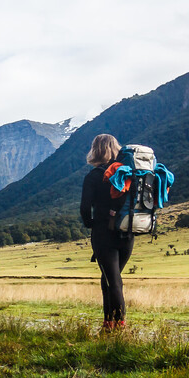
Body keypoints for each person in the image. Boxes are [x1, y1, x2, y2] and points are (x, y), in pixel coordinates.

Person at [80, 133, 132, 331]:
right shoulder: (127, 173)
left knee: (114, 280)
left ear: (96, 150)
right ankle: (108, 323)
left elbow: (85, 208)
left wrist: (91, 224)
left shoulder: (94, 176)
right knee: (109, 277)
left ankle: (119, 327)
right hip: (127, 232)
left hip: (103, 233)